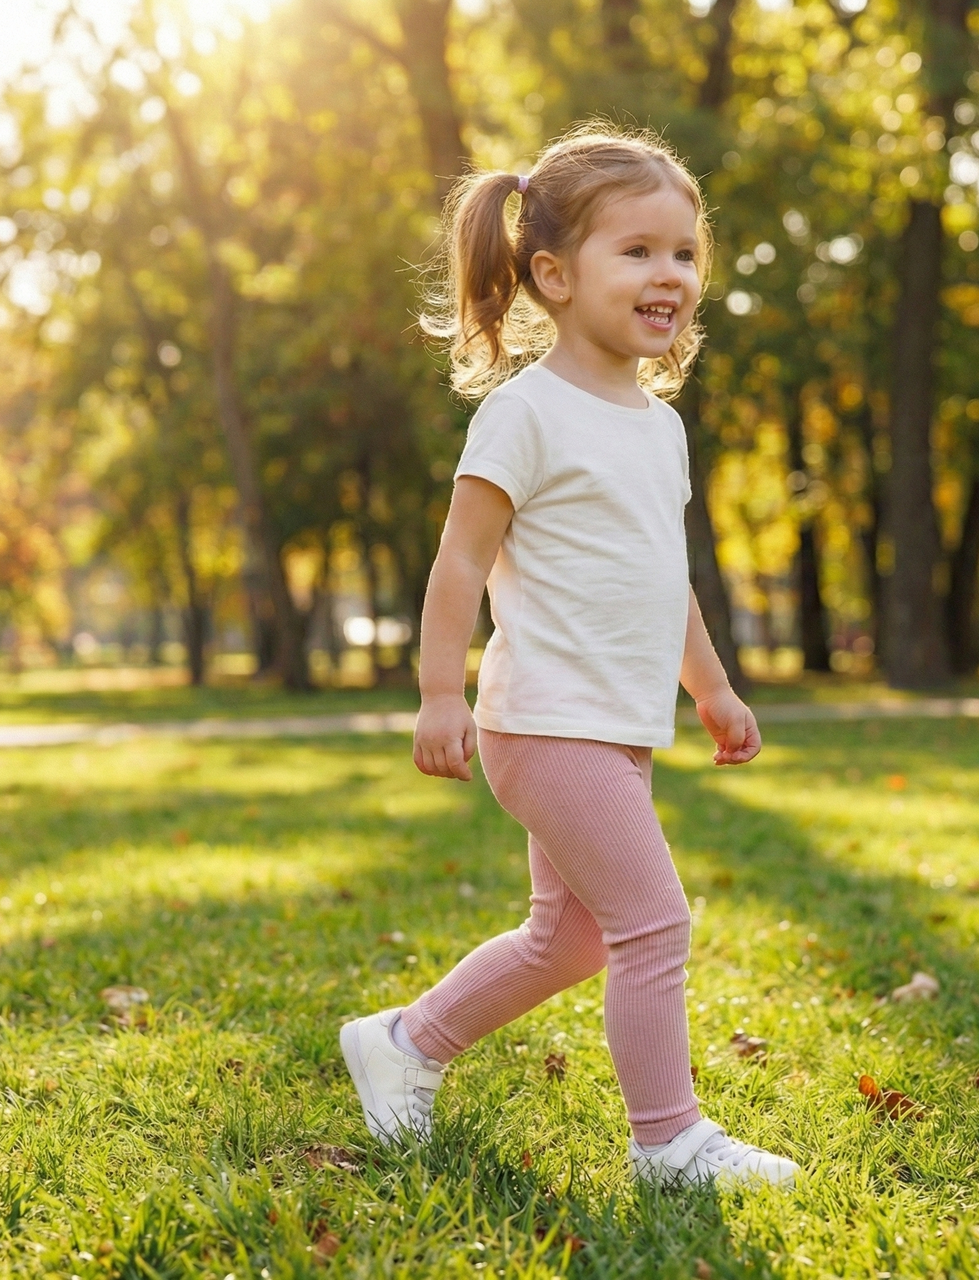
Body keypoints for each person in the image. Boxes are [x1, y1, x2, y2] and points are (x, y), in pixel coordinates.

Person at [340, 127, 799, 1189]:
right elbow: (459, 563)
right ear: (552, 273)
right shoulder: (524, 413)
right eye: (635, 251)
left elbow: (658, 573)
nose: (669, 275)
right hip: (544, 721)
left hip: (615, 719)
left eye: (683, 252)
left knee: (570, 938)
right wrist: (434, 692)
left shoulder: (657, 426)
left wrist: (714, 685)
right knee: (652, 921)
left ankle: (404, 1042)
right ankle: (668, 1140)